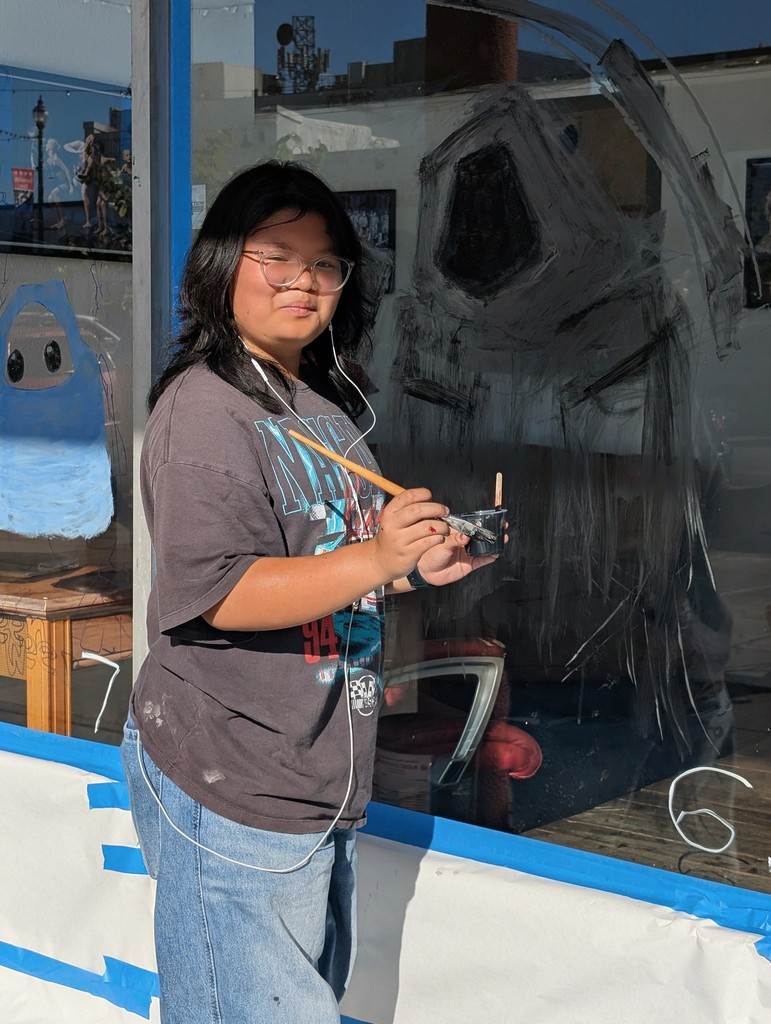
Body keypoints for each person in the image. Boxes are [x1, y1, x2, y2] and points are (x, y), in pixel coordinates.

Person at [120, 160, 500, 1024]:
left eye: (324, 263)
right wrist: (374, 559)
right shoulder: (207, 409)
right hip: (234, 770)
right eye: (275, 256)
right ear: (221, 266)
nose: (303, 280)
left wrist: (413, 564)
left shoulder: (320, 405)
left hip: (315, 766)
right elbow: (218, 593)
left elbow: (326, 558)